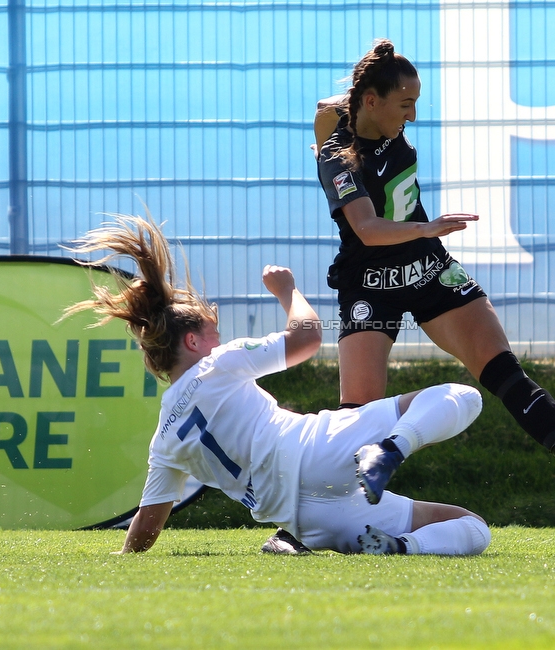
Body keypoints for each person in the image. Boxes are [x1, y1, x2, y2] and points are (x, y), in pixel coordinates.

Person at [261, 38, 555, 554]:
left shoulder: (352, 115)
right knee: (356, 419)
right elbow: (370, 230)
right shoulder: (337, 156)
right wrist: (434, 226)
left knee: (501, 369)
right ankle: (305, 530)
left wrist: (355, 103)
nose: (415, 115)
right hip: (371, 281)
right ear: (373, 102)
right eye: (406, 104)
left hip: (426, 267)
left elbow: (327, 108)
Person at [63, 213, 491, 556]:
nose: (219, 339)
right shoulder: (219, 364)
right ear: (192, 342)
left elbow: (146, 526)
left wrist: (124, 556)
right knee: (462, 395)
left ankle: (402, 547)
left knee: (470, 526)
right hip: (317, 452)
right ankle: (391, 450)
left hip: (310, 521)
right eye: (212, 332)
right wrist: (287, 291)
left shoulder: (165, 440)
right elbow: (307, 337)